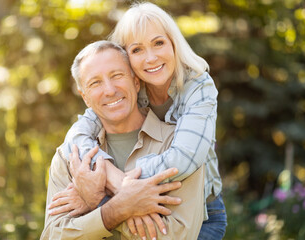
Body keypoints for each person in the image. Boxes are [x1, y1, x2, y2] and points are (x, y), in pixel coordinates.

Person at [53, 2, 227, 239]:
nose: (151, 58)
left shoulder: (198, 87)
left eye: (158, 43)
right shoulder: (131, 87)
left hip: (204, 212)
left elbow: (183, 159)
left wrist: (110, 184)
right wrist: (120, 193)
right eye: (137, 50)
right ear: (127, 58)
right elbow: (78, 133)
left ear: (173, 43)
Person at [41, 40, 206, 239]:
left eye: (117, 75)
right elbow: (53, 236)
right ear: (85, 97)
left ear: (136, 81)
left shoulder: (179, 146)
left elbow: (176, 236)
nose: (110, 90)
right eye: (95, 83)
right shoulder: (70, 157)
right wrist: (118, 207)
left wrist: (99, 201)